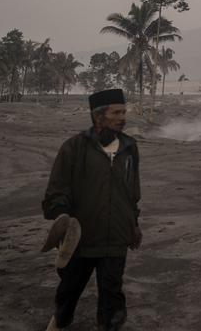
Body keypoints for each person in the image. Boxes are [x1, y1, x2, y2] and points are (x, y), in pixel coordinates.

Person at [42, 88, 142, 330]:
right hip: (81, 238)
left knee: (112, 294)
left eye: (123, 111)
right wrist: (61, 216)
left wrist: (134, 225)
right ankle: (59, 323)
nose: (122, 117)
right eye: (116, 113)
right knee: (69, 290)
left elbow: (132, 193)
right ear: (98, 117)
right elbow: (57, 189)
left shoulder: (130, 147)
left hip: (116, 237)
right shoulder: (74, 147)